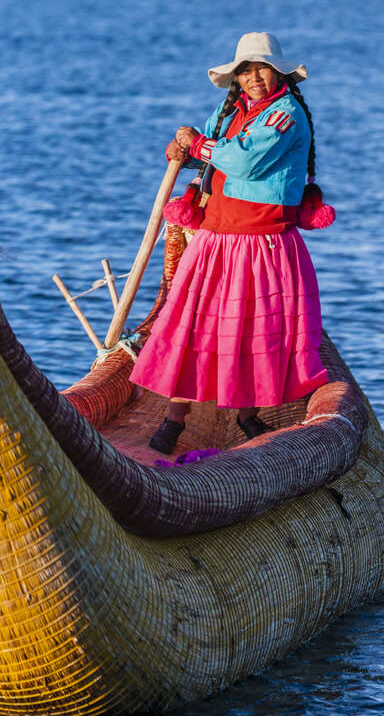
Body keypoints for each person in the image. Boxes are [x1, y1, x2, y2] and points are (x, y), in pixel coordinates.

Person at [129, 32, 335, 454]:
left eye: (262, 68)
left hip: (259, 245)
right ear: (236, 78)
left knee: (251, 331)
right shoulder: (231, 111)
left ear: (279, 73)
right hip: (215, 239)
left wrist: (199, 145)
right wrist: (183, 149)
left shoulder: (286, 115)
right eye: (246, 70)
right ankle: (175, 418)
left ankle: (247, 416)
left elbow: (243, 161)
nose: (254, 77)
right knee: (192, 326)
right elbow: (209, 144)